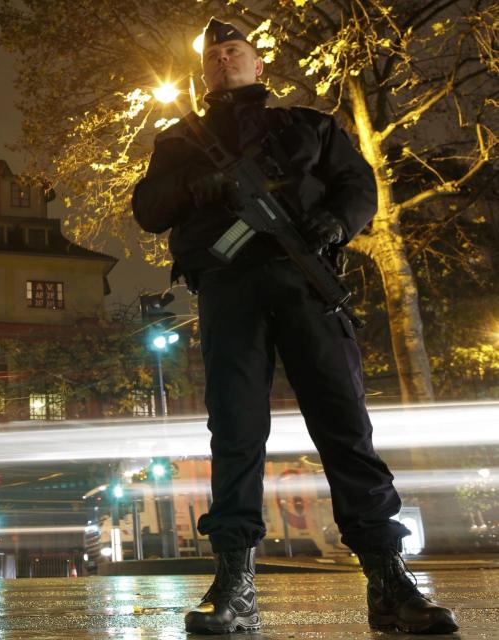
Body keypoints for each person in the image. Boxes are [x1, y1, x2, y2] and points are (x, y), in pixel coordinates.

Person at [132, 17, 458, 636]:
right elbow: (149, 209)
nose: (224, 62)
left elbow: (359, 186)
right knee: (235, 432)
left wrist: (335, 225)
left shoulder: (308, 126)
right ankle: (235, 583)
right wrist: (197, 189)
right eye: (214, 58)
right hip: (229, 289)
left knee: (345, 427)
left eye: (236, 52)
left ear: (259, 67)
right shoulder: (180, 139)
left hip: (307, 283)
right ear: (205, 75)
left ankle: (388, 578)